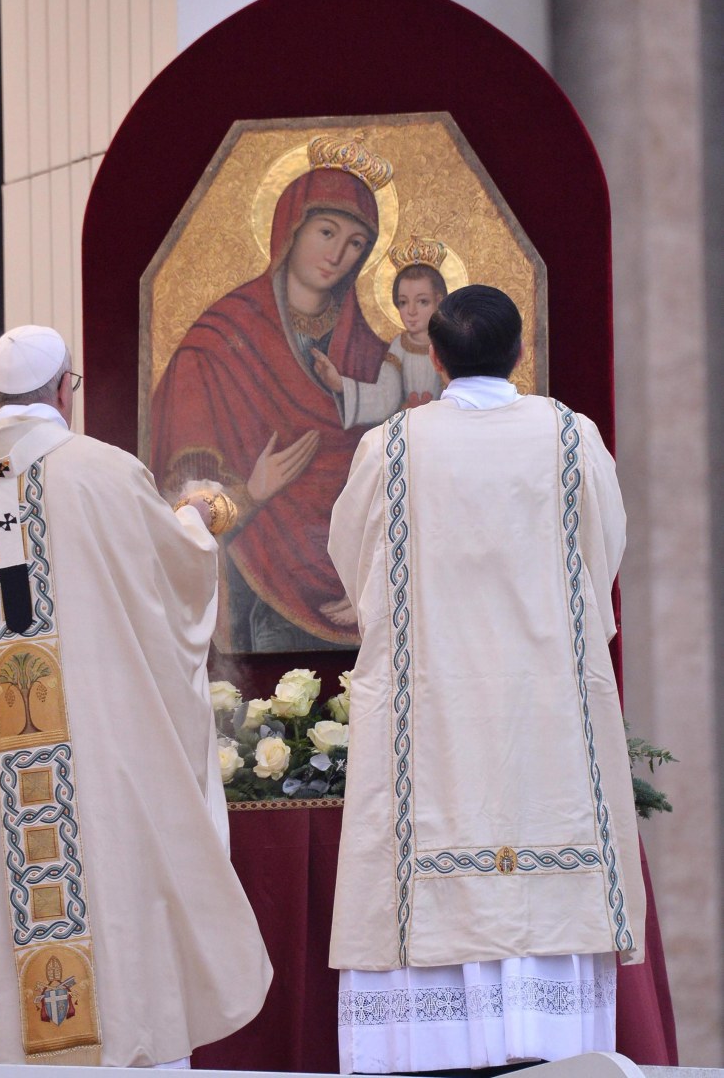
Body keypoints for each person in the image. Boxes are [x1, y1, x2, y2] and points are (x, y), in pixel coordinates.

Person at [0, 325, 272, 1067]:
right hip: (89, 767)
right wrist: (199, 515)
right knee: (104, 884)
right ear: (67, 388)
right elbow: (170, 581)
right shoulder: (104, 473)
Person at [328, 286, 646, 1074]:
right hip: (542, 713)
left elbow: (350, 557)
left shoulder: (391, 447)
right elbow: (603, 554)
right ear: (517, 351)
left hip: (431, 710)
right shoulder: (570, 438)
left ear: (432, 355)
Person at [151, 136, 391, 652]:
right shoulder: (216, 343)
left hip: (359, 585)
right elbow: (177, 501)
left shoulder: (373, 357)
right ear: (289, 229)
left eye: (354, 243)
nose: (337, 254)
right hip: (257, 580)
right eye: (326, 231)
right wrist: (252, 492)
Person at [313, 255, 445, 427]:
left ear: (439, 301)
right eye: (403, 302)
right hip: (405, 432)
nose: (411, 311)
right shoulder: (400, 346)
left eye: (422, 301)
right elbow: (386, 397)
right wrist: (341, 385)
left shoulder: (449, 344)